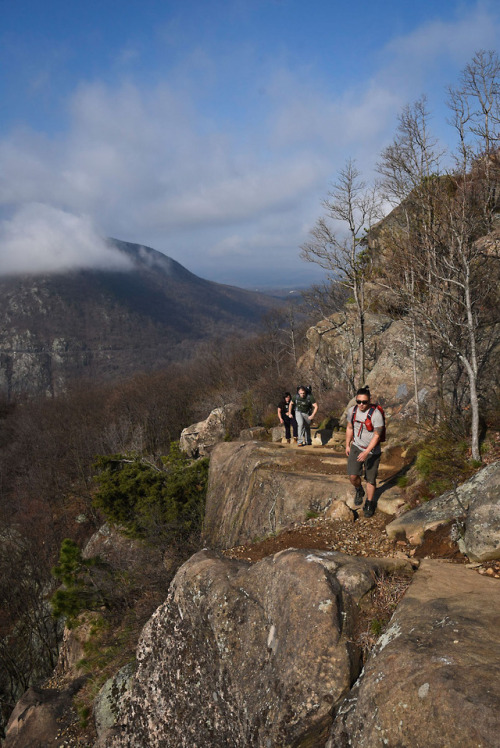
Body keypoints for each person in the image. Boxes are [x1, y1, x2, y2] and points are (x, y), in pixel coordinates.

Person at [345, 387, 383, 517]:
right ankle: (359, 490)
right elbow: (350, 428)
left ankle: (369, 502)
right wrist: (347, 445)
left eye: (364, 402)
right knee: (353, 476)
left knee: (370, 479)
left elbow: (377, 436)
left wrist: (367, 452)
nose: (361, 404)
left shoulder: (376, 414)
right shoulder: (352, 411)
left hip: (372, 451)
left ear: (369, 400)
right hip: (356, 446)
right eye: (359, 401)